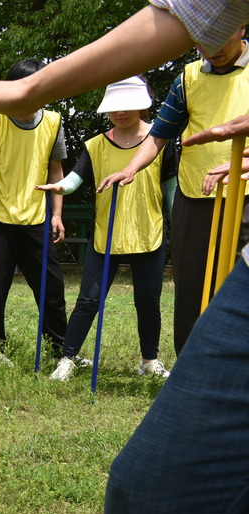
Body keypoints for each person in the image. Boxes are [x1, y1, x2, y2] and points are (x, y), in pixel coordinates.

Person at [0, 1, 249, 514]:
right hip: (146, 223)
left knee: (147, 318)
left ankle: (146, 357)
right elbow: (96, 159)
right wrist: (96, 164)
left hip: (154, 232)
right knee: (107, 309)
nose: (121, 119)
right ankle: (73, 356)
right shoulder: (165, 98)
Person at [96, 27, 249, 356]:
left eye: (219, 38)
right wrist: (131, 167)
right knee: (191, 287)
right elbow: (158, 135)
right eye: (201, 42)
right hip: (194, 197)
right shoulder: (188, 78)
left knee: (240, 285)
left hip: (246, 197)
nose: (211, 49)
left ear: (239, 27)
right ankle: (190, 368)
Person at [38, 77, 176, 381]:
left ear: (143, 104)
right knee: (88, 299)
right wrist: (59, 186)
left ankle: (149, 361)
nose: (120, 112)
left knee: (148, 302)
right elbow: (76, 178)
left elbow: (171, 188)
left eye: (127, 105)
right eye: (114, 107)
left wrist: (179, 224)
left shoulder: (161, 140)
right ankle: (67, 359)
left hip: (148, 232)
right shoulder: (96, 144)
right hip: (106, 235)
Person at [0, 59, 68, 359]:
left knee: (52, 289)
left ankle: (60, 349)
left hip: (37, 218)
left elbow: (56, 169)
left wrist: (57, 214)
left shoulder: (53, 122)